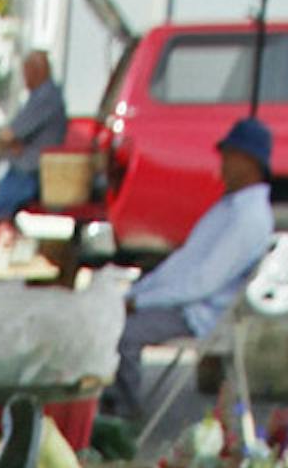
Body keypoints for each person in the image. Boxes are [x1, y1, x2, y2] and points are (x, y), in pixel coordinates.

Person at [109, 118, 276, 417]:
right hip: (185, 302)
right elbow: (182, 264)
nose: (222, 165)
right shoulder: (229, 207)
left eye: (229, 157)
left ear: (249, 162)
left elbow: (201, 282)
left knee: (121, 331)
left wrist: (141, 299)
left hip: (197, 313)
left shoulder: (249, 218)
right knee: (108, 319)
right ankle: (115, 407)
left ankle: (125, 415)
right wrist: (136, 293)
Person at [0, 50, 67, 218]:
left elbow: (11, 133)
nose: (24, 78)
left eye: (26, 72)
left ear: (37, 71)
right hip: (28, 166)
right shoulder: (44, 95)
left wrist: (8, 141)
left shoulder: (45, 96)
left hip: (30, 170)